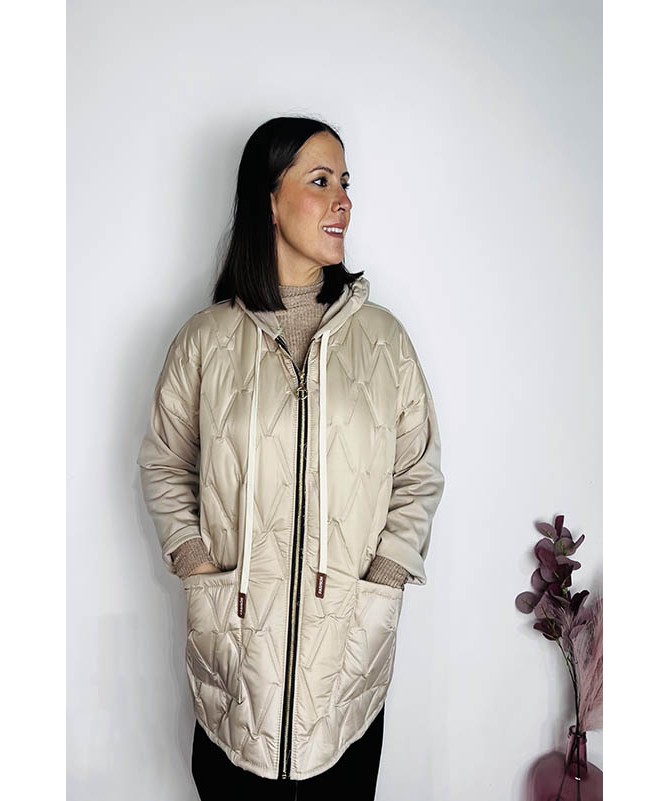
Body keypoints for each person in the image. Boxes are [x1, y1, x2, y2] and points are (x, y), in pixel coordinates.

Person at [137, 116, 445, 800]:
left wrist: (387, 576)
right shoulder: (205, 340)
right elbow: (164, 462)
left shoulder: (384, 342)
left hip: (347, 669)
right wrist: (195, 562)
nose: (343, 201)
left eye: (345, 183)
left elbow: (418, 471)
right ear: (269, 201)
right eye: (320, 181)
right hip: (234, 669)